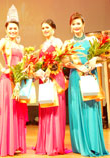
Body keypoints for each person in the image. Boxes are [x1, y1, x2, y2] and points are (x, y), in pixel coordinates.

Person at [64, 12, 110, 157]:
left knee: (90, 109)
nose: (76, 26)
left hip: (90, 76)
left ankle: (94, 144)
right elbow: (64, 63)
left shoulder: (92, 41)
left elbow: (104, 56)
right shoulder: (68, 43)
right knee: (78, 109)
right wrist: (78, 67)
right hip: (76, 79)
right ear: (70, 27)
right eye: (73, 24)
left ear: (83, 24)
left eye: (78, 23)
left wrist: (94, 60)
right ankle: (81, 145)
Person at [0, 5, 27, 156]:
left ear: (18, 29)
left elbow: (23, 64)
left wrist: (23, 75)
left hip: (18, 81)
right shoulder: (3, 42)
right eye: (10, 29)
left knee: (16, 112)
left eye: (15, 29)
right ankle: (6, 145)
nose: (12, 31)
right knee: (6, 111)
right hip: (7, 81)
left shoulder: (21, 46)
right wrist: (3, 68)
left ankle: (15, 144)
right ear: (6, 29)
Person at [35, 19, 67, 155]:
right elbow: (40, 63)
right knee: (46, 107)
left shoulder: (58, 42)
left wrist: (51, 68)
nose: (45, 30)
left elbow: (62, 61)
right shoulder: (42, 45)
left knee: (55, 108)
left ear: (53, 28)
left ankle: (54, 144)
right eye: (43, 28)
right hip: (45, 79)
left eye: (47, 27)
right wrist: (38, 71)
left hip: (55, 77)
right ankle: (45, 142)